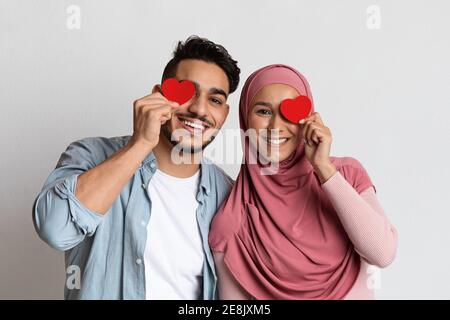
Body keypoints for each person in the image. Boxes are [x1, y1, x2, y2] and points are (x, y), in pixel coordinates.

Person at [32, 36, 240, 300]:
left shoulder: (228, 194)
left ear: (224, 114)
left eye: (215, 100)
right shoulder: (91, 156)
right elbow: (55, 229)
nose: (200, 109)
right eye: (187, 92)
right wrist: (140, 143)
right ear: (158, 95)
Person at [209, 64, 398, 300]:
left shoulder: (346, 175)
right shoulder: (231, 221)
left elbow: (382, 253)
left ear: (308, 119)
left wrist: (323, 168)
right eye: (263, 112)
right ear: (245, 119)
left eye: (290, 112)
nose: (276, 127)